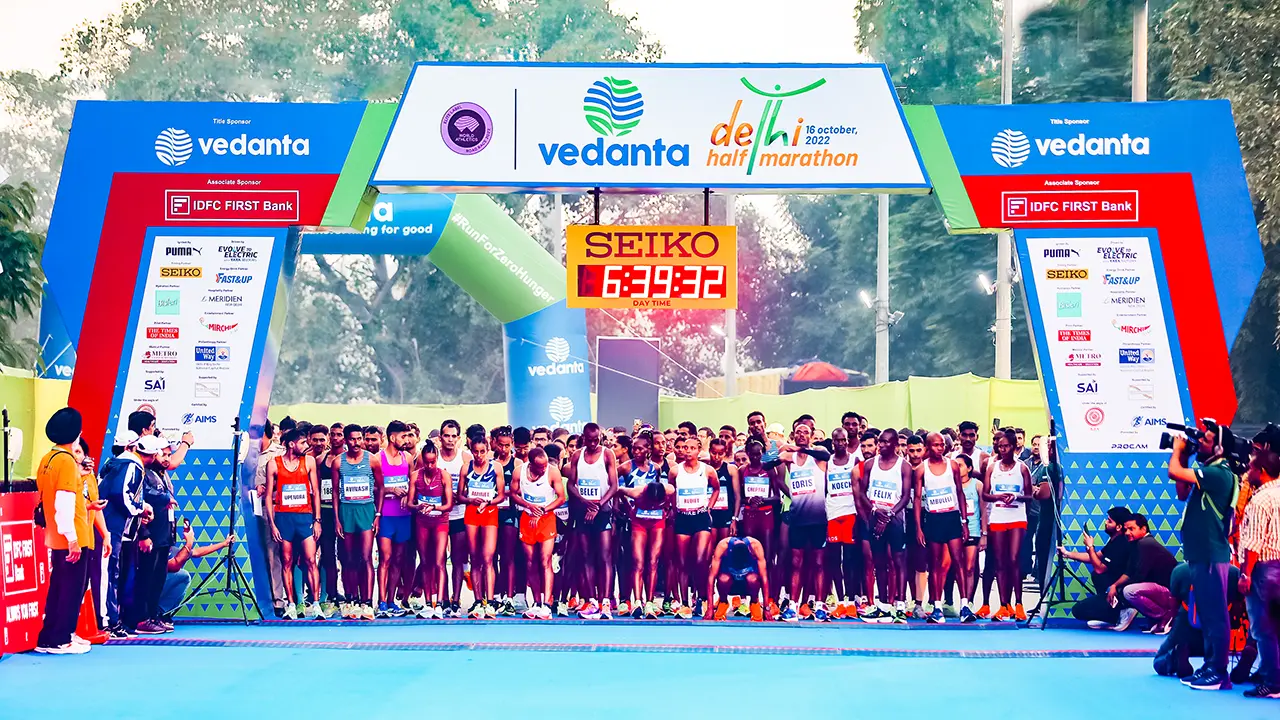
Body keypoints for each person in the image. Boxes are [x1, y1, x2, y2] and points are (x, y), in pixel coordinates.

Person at [1168, 421, 1238, 690]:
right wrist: (1184, 455)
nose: (1200, 443)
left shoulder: (1219, 473)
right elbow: (1182, 491)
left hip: (1211, 554)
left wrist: (1177, 451)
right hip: (1201, 554)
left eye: (1206, 440)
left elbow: (1174, 472)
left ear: (1219, 448)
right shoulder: (1208, 472)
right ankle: (1210, 666)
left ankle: (1218, 671)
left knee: (1215, 615)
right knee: (1208, 614)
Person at [35, 407, 94, 654]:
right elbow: (64, 501)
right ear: (77, 433)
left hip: (55, 534)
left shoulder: (48, 459)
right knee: (70, 590)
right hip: (71, 535)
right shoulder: (66, 461)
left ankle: (51, 636)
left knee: (59, 587)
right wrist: (72, 538)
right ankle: (61, 639)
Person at [914, 432, 974, 623]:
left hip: (952, 517)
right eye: (935, 445)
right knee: (935, 565)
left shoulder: (953, 465)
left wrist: (964, 522)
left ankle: (965, 605)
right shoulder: (921, 469)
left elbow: (960, 492)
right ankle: (937, 607)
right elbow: (916, 499)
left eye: (942, 445)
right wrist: (918, 527)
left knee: (958, 562)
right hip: (933, 519)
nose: (940, 448)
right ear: (927, 447)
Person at [265, 428, 322, 620]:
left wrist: (317, 520)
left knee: (310, 560)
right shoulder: (274, 464)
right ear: (291, 444)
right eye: (303, 443)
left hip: (304, 518)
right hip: (283, 518)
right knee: (287, 562)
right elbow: (267, 497)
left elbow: (316, 491)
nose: (307, 446)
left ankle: (315, 605)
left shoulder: (309, 462)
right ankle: (290, 604)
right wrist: (272, 524)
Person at [1236, 449, 1280, 699]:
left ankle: (1273, 682)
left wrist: (1246, 575)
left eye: (1250, 468)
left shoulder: (1259, 500)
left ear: (1261, 472)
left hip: (1264, 569)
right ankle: (1269, 672)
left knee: (1264, 628)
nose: (1247, 472)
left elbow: (1253, 543)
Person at [565, 422, 619, 620]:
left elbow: (614, 486)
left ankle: (605, 602)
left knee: (604, 557)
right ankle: (592, 601)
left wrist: (598, 505)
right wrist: (584, 501)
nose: (594, 443)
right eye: (590, 440)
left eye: (597, 440)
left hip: (602, 511)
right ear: (583, 438)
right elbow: (571, 484)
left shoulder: (607, 454)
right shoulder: (577, 456)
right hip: (583, 512)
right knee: (586, 556)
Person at [859, 428, 911, 623]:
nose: (881, 445)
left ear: (896, 444)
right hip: (875, 516)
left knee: (898, 561)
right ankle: (882, 606)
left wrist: (889, 514)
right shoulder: (871, 464)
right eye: (880, 442)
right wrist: (874, 510)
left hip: (895, 518)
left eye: (886, 442)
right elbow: (863, 493)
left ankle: (899, 605)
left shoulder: (903, 466)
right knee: (878, 561)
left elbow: (905, 497)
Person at [778, 421, 829, 621]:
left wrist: (802, 448)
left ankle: (819, 606)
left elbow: (826, 455)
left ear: (811, 435)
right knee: (796, 563)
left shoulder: (818, 454)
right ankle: (792, 605)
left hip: (817, 519)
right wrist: (783, 450)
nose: (801, 435)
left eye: (805, 432)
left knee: (818, 564)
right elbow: (767, 460)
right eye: (798, 432)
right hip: (798, 518)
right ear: (793, 434)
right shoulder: (790, 458)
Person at [982, 428, 1033, 622]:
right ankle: (1004, 605)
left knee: (1013, 559)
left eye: (1006, 446)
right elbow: (985, 494)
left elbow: (1030, 496)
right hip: (997, 517)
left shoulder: (1021, 468)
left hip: (1017, 517)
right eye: (1000, 446)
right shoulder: (992, 468)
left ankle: (1019, 604)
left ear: (1013, 446)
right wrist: (998, 496)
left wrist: (1016, 497)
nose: (1002, 449)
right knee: (1000, 561)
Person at [616, 432, 670, 618]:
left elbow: (665, 492)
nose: (636, 452)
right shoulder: (624, 467)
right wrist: (626, 507)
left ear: (648, 449)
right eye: (634, 448)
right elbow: (616, 488)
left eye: (640, 448)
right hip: (637, 518)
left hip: (655, 519)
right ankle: (637, 602)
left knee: (653, 561)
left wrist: (664, 508)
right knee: (637, 561)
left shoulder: (656, 469)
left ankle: (650, 602)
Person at [511, 447, 565, 619]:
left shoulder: (553, 472)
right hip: (527, 518)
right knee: (530, 561)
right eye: (539, 467)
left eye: (545, 466)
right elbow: (513, 493)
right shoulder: (519, 471)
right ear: (530, 462)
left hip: (546, 517)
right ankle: (536, 602)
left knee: (545, 560)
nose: (543, 470)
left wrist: (542, 510)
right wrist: (528, 506)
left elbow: (561, 497)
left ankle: (547, 603)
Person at [459, 424, 506, 618]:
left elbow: (501, 495)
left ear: (488, 450)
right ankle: (478, 601)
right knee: (475, 557)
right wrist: (471, 499)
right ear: (471, 451)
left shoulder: (496, 467)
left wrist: (488, 502)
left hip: (489, 513)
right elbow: (459, 495)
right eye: (476, 452)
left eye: (482, 452)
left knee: (488, 557)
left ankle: (490, 600)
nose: (479, 456)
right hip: (471, 513)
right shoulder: (466, 467)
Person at [332, 424, 376, 621]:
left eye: (360, 439)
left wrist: (378, 514)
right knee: (349, 559)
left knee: (366, 558)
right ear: (345, 440)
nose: (356, 443)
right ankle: (351, 600)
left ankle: (367, 603)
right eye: (352, 439)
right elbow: (334, 491)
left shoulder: (372, 460)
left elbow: (381, 488)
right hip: (346, 510)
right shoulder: (337, 462)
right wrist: (336, 519)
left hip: (366, 510)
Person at [1106, 514, 1178, 633]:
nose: (1127, 533)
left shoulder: (1145, 543)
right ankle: (1160, 618)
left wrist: (1119, 592)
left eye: (1131, 529)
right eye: (1125, 529)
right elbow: (1129, 573)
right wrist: (1114, 586)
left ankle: (1166, 615)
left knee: (1129, 591)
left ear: (1143, 529)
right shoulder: (1137, 544)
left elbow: (1140, 575)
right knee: (1127, 590)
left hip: (1169, 593)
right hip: (1162, 590)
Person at [1063, 506, 1134, 627]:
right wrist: (1068, 554)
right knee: (1096, 576)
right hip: (1112, 590)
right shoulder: (1114, 541)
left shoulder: (1122, 543)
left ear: (1119, 527)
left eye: (1109, 521)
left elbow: (1099, 568)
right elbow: (1096, 557)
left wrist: (1090, 547)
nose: (1106, 522)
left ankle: (1122, 611)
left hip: (1121, 590)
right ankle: (1111, 614)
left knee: (1078, 610)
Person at [373, 420, 415, 617]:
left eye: (408, 436)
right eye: (403, 436)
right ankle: (381, 602)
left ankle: (391, 601)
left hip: (403, 516)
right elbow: (370, 488)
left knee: (398, 559)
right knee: (385, 559)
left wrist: (409, 495)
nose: (406, 440)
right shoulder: (377, 458)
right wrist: (389, 489)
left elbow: (412, 484)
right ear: (392, 437)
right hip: (386, 516)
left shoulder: (407, 457)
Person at [407, 439, 452, 619]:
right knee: (425, 561)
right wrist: (419, 507)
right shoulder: (416, 476)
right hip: (422, 522)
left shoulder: (444, 476)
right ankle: (428, 603)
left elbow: (449, 505)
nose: (430, 465)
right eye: (427, 462)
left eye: (433, 462)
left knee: (440, 560)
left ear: (437, 460)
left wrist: (435, 508)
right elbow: (410, 503)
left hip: (440, 521)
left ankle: (439, 603)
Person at [156, 524, 234, 621]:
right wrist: (189, 542)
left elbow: (197, 552)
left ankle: (160, 613)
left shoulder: (170, 549)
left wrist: (223, 544)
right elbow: (174, 565)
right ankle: (150, 613)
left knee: (183, 577)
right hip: (142, 588)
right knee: (183, 575)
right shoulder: (157, 544)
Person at [436, 419, 472, 618]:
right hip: (439, 517)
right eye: (446, 436)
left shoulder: (465, 458)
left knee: (458, 560)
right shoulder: (433, 458)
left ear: (458, 439)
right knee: (439, 560)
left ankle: (456, 600)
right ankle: (441, 600)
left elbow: (474, 484)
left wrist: (461, 495)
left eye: (453, 436)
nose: (449, 440)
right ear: (441, 437)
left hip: (459, 515)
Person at [824, 427, 860, 617]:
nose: (840, 443)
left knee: (850, 560)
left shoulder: (855, 460)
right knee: (834, 560)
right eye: (837, 440)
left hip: (851, 513)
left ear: (847, 441)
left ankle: (851, 600)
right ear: (833, 442)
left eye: (843, 440)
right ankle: (839, 601)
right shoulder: (828, 462)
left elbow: (861, 487)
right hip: (832, 514)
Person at [705, 529, 773, 622]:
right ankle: (723, 602)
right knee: (723, 578)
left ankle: (754, 603)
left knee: (752, 579)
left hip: (748, 584)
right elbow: (711, 577)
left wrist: (766, 608)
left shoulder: (755, 546)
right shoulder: (722, 546)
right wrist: (709, 608)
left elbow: (764, 578)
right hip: (730, 583)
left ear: (749, 551)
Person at [311, 424, 340, 617]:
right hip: (326, 514)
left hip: (343, 514)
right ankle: (330, 594)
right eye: (334, 435)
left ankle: (350, 595)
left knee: (347, 558)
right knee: (328, 556)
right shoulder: (320, 460)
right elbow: (317, 489)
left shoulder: (349, 460)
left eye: (340, 435)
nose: (337, 438)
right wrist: (317, 517)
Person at [903, 434, 929, 615]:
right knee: (903, 562)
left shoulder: (930, 469)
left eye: (918, 450)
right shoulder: (901, 468)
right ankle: (901, 601)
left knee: (921, 563)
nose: (915, 454)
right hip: (903, 518)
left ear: (924, 450)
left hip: (925, 520)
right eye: (911, 450)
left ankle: (919, 603)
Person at [707, 437, 741, 546]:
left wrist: (734, 519)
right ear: (709, 451)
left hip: (726, 515)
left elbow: (737, 497)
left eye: (720, 454)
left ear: (725, 453)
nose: (716, 457)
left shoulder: (731, 469)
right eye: (713, 453)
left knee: (725, 549)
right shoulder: (704, 468)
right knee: (709, 549)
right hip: (709, 515)